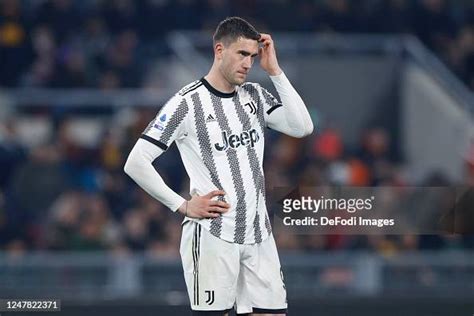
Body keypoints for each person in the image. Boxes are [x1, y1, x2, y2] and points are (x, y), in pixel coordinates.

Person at [124, 17, 313, 315]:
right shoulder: (185, 104)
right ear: (219, 50)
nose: (248, 63)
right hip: (214, 235)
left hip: (259, 234)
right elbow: (135, 162)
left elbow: (302, 127)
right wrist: (182, 205)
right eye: (242, 54)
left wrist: (274, 71)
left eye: (252, 56)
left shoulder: (255, 96)